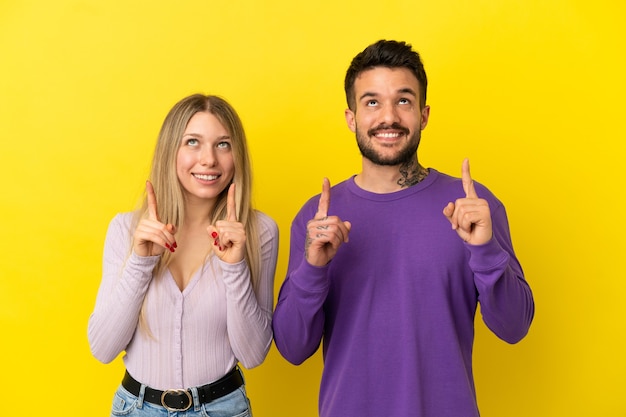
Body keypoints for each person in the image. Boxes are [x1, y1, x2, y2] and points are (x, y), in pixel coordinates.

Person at [272, 40, 534, 417]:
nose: (389, 117)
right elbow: (293, 348)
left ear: (424, 115)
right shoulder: (318, 218)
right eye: (372, 102)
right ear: (351, 117)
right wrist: (313, 268)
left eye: (404, 100)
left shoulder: (473, 207)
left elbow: (515, 327)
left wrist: (486, 250)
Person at [88, 94, 279, 416]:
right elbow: (104, 348)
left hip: (222, 409)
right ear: (170, 151)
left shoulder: (258, 231)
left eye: (223, 144)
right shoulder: (126, 229)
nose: (208, 160)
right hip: (137, 408)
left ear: (237, 156)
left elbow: (253, 354)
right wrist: (141, 262)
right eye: (192, 142)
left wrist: (235, 267)